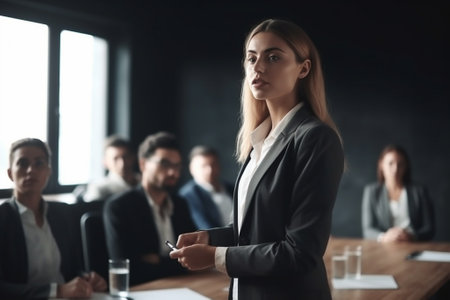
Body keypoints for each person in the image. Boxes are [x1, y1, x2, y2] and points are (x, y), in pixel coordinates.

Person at [169, 19, 344, 299]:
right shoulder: (258, 140)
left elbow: (300, 252)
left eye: (273, 57)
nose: (258, 67)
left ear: (304, 68)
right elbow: (260, 230)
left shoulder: (315, 138)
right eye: (251, 58)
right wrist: (211, 238)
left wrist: (215, 256)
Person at [0, 138, 107, 299]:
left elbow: (71, 270)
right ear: (10, 173)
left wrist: (86, 279)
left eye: (39, 164)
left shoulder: (62, 213)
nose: (31, 170)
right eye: (22, 163)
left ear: (48, 172)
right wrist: (56, 291)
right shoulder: (3, 218)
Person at [103, 132, 196, 285]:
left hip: (183, 284)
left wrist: (158, 260)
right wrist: (177, 262)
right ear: (143, 164)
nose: (173, 172)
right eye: (165, 164)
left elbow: (193, 256)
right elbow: (128, 269)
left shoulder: (180, 204)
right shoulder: (119, 207)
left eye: (177, 165)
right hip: (144, 290)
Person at [362, 144, 434, 242]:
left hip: (413, 245)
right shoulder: (371, 191)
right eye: (390, 163)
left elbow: (429, 228)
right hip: (385, 246)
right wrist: (384, 237)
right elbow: (367, 230)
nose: (395, 169)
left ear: (406, 167)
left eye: (400, 164)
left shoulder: (420, 191)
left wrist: (412, 236)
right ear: (381, 165)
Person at [179, 145, 234, 229]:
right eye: (203, 166)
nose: (210, 170)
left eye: (213, 164)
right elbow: (205, 228)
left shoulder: (232, 188)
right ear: (191, 169)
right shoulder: (187, 196)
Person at [82, 135, 140, 202]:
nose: (122, 163)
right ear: (105, 162)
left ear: (133, 157)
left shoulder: (144, 181)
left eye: (126, 157)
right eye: (115, 159)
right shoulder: (99, 188)